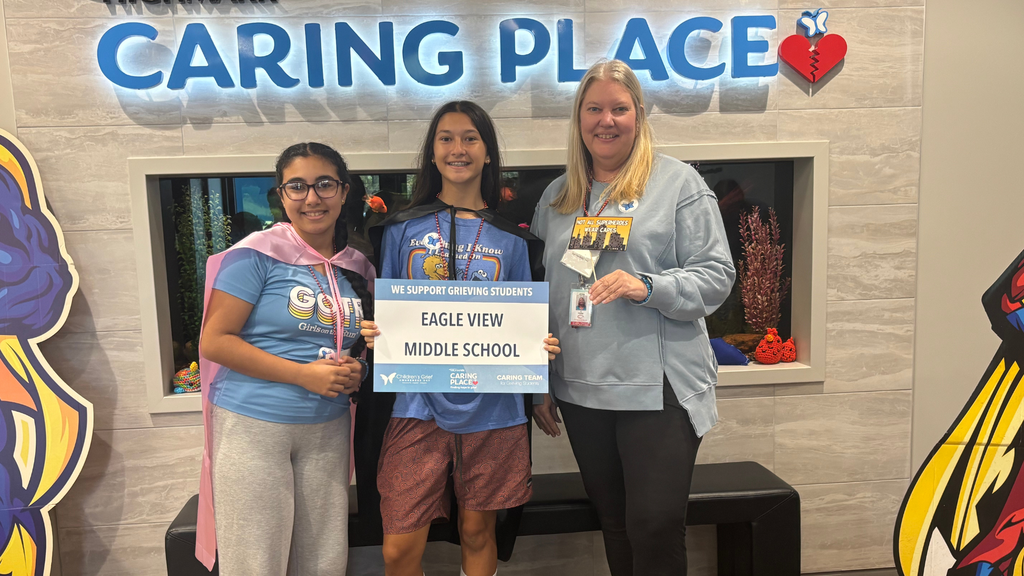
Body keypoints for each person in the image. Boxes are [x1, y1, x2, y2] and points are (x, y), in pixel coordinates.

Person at [530, 60, 736, 576]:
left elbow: (717, 276)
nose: (606, 120)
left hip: (657, 388)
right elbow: (543, 296)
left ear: (638, 115)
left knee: (654, 526)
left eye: (619, 109)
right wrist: (538, 380)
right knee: (616, 524)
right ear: (579, 118)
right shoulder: (557, 198)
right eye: (594, 109)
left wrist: (648, 286)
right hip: (581, 387)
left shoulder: (678, 183)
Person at [359, 100, 559, 576]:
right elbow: (386, 310)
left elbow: (524, 321)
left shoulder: (514, 239)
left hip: (494, 403)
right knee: (398, 548)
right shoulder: (400, 229)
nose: (458, 148)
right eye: (446, 138)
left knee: (477, 531)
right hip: (414, 402)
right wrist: (375, 332)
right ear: (432, 152)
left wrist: (539, 363)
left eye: (471, 138)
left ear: (488, 153)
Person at [195, 142, 375, 575]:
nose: (312, 198)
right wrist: (301, 375)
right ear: (281, 194)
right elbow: (215, 341)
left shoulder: (358, 267)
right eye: (297, 186)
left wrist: (360, 369)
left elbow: (361, 343)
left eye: (325, 184)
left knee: (324, 562)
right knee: (257, 563)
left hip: (328, 429)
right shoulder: (256, 254)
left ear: (344, 191)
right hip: (254, 425)